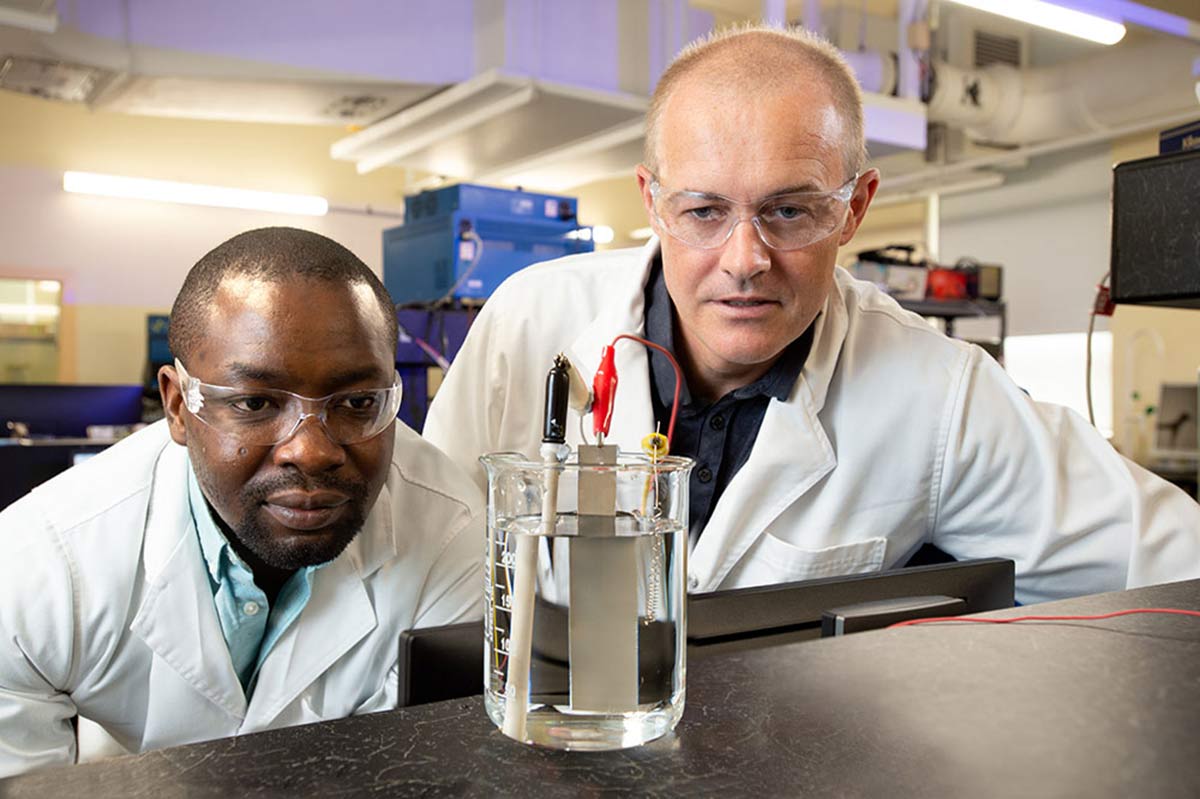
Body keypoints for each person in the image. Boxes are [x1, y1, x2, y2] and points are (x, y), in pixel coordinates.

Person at [424, 25, 1200, 605]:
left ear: (855, 207)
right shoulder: (529, 324)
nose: (744, 258)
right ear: (652, 201)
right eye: (702, 211)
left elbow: (1169, 558)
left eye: (790, 210)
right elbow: (424, 569)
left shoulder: (938, 394)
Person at [0, 227, 482, 776]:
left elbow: (421, 773)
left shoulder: (453, 535)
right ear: (178, 408)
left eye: (357, 401)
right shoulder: (43, 564)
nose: (312, 450)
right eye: (254, 402)